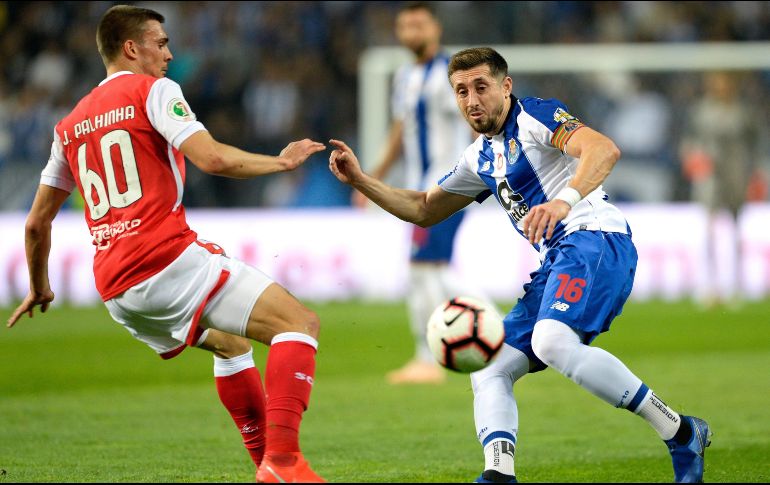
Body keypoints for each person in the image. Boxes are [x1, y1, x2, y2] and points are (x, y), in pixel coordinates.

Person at [329, 47, 711, 483]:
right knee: (491, 365)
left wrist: (563, 202)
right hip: (558, 259)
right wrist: (362, 180)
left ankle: (678, 432)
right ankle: (499, 473)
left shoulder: (536, 117)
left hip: (596, 239)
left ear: (505, 87)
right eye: (461, 91)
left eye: (481, 87)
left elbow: (603, 150)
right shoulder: (479, 158)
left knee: (551, 342)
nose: (472, 100)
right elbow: (423, 208)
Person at [6, 6, 326, 483]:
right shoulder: (153, 91)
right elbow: (212, 158)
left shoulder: (68, 125)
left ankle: (265, 465)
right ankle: (282, 463)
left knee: (231, 343)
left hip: (117, 289)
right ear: (132, 48)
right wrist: (279, 163)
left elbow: (36, 224)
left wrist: (39, 285)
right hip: (165, 259)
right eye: (161, 43)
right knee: (299, 324)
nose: (169, 54)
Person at [353, 2, 478, 384]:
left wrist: (490, 170)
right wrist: (371, 177)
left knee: (424, 267)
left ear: (435, 28)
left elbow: (476, 120)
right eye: (405, 25)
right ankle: (474, 338)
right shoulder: (406, 75)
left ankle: (435, 354)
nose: (411, 32)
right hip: (422, 187)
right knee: (427, 268)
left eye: (419, 24)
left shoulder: (449, 74)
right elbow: (400, 131)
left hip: (449, 184)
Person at [680, 71, 763, 308]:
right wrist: (691, 158)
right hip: (709, 174)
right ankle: (708, 285)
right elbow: (689, 140)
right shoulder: (702, 111)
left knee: (737, 229)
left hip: (737, 173)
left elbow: (756, 144)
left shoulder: (744, 112)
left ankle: (737, 285)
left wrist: (758, 173)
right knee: (709, 228)